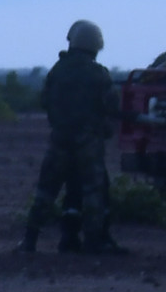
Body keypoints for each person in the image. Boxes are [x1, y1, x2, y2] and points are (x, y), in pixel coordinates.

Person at [21, 20, 124, 254]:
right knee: (93, 192)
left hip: (59, 139)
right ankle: (94, 242)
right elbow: (112, 106)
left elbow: (45, 100)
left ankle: (29, 241)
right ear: (96, 46)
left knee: (45, 191)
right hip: (88, 142)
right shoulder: (98, 73)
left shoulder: (58, 70)